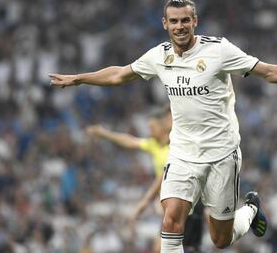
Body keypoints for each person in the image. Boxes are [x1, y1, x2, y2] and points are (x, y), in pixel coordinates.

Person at [49, 0, 277, 252]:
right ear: (164, 24)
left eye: (185, 20)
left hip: (221, 153)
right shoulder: (159, 56)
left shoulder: (219, 51)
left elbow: (269, 72)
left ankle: (250, 210)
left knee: (220, 239)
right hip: (183, 152)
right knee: (170, 217)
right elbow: (119, 75)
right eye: (174, 21)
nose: (180, 26)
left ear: (195, 21)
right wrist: (80, 78)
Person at [86, 106, 204, 253]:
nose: (149, 130)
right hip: (170, 205)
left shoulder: (176, 146)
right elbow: (130, 141)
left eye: (152, 126)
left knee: (187, 247)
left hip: (185, 203)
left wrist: (144, 203)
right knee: (161, 248)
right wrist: (105, 134)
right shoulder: (154, 145)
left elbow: (162, 178)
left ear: (162, 127)